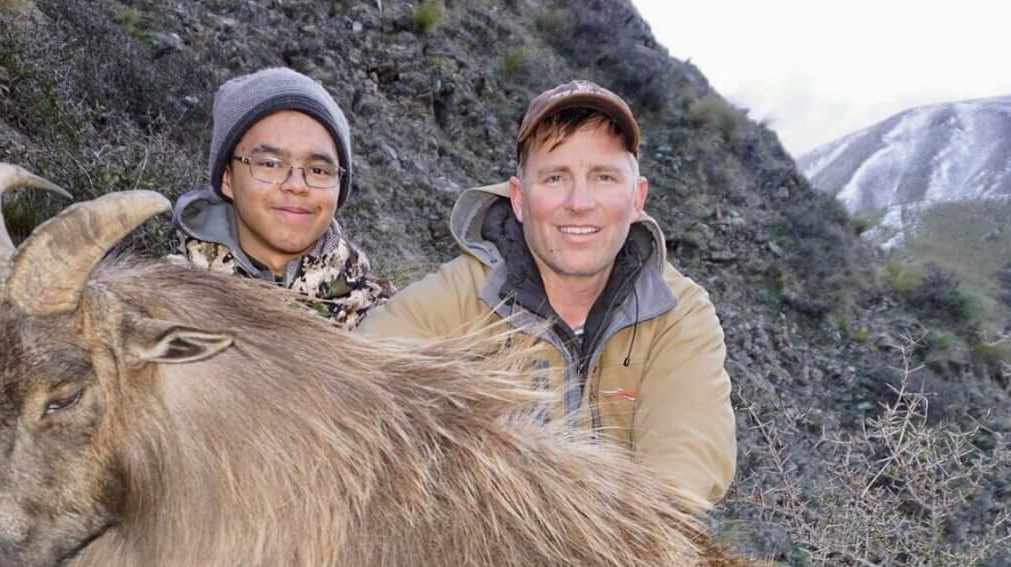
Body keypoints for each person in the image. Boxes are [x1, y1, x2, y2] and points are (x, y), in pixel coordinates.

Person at [358, 80, 734, 511]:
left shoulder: (677, 312)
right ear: (519, 199)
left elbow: (682, 473)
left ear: (637, 199)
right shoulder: (459, 298)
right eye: (555, 177)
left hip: (629, 559)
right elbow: (356, 393)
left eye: (604, 177)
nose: (579, 202)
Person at [172, 67, 391, 328]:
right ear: (227, 178)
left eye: (319, 170)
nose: (296, 185)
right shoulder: (161, 305)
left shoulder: (384, 316)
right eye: (270, 164)